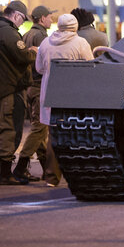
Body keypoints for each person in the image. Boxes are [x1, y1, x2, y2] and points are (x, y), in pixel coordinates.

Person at [35, 13, 94, 187]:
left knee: (53, 135)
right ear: (75, 27)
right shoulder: (81, 43)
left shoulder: (45, 43)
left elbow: (39, 68)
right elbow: (90, 67)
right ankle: (78, 176)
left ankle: (51, 177)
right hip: (74, 94)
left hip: (50, 94)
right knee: (77, 133)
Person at [0, 0, 38, 185]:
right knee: (8, 129)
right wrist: (33, 51)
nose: (22, 23)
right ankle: (4, 174)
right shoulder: (8, 33)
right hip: (8, 88)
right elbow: (22, 56)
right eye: (22, 19)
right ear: (17, 16)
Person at [13, 5, 56, 182]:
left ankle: (45, 166)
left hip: (30, 86)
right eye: (49, 17)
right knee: (40, 127)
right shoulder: (41, 36)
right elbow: (42, 63)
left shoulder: (27, 34)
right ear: (41, 19)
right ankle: (21, 165)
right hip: (39, 86)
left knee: (38, 127)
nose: (51, 20)